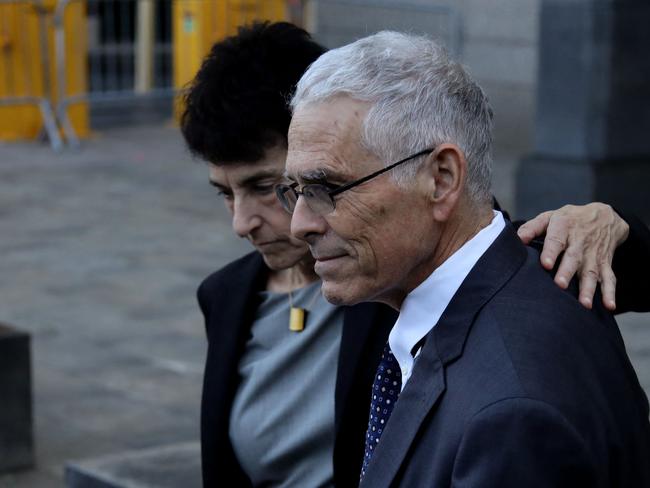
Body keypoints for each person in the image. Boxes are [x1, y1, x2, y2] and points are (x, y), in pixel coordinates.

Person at [182, 23, 650, 487]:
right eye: (294, 189)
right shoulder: (416, 281)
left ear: (442, 178)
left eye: (325, 188)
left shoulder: (510, 406)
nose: (300, 221)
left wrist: (615, 225)